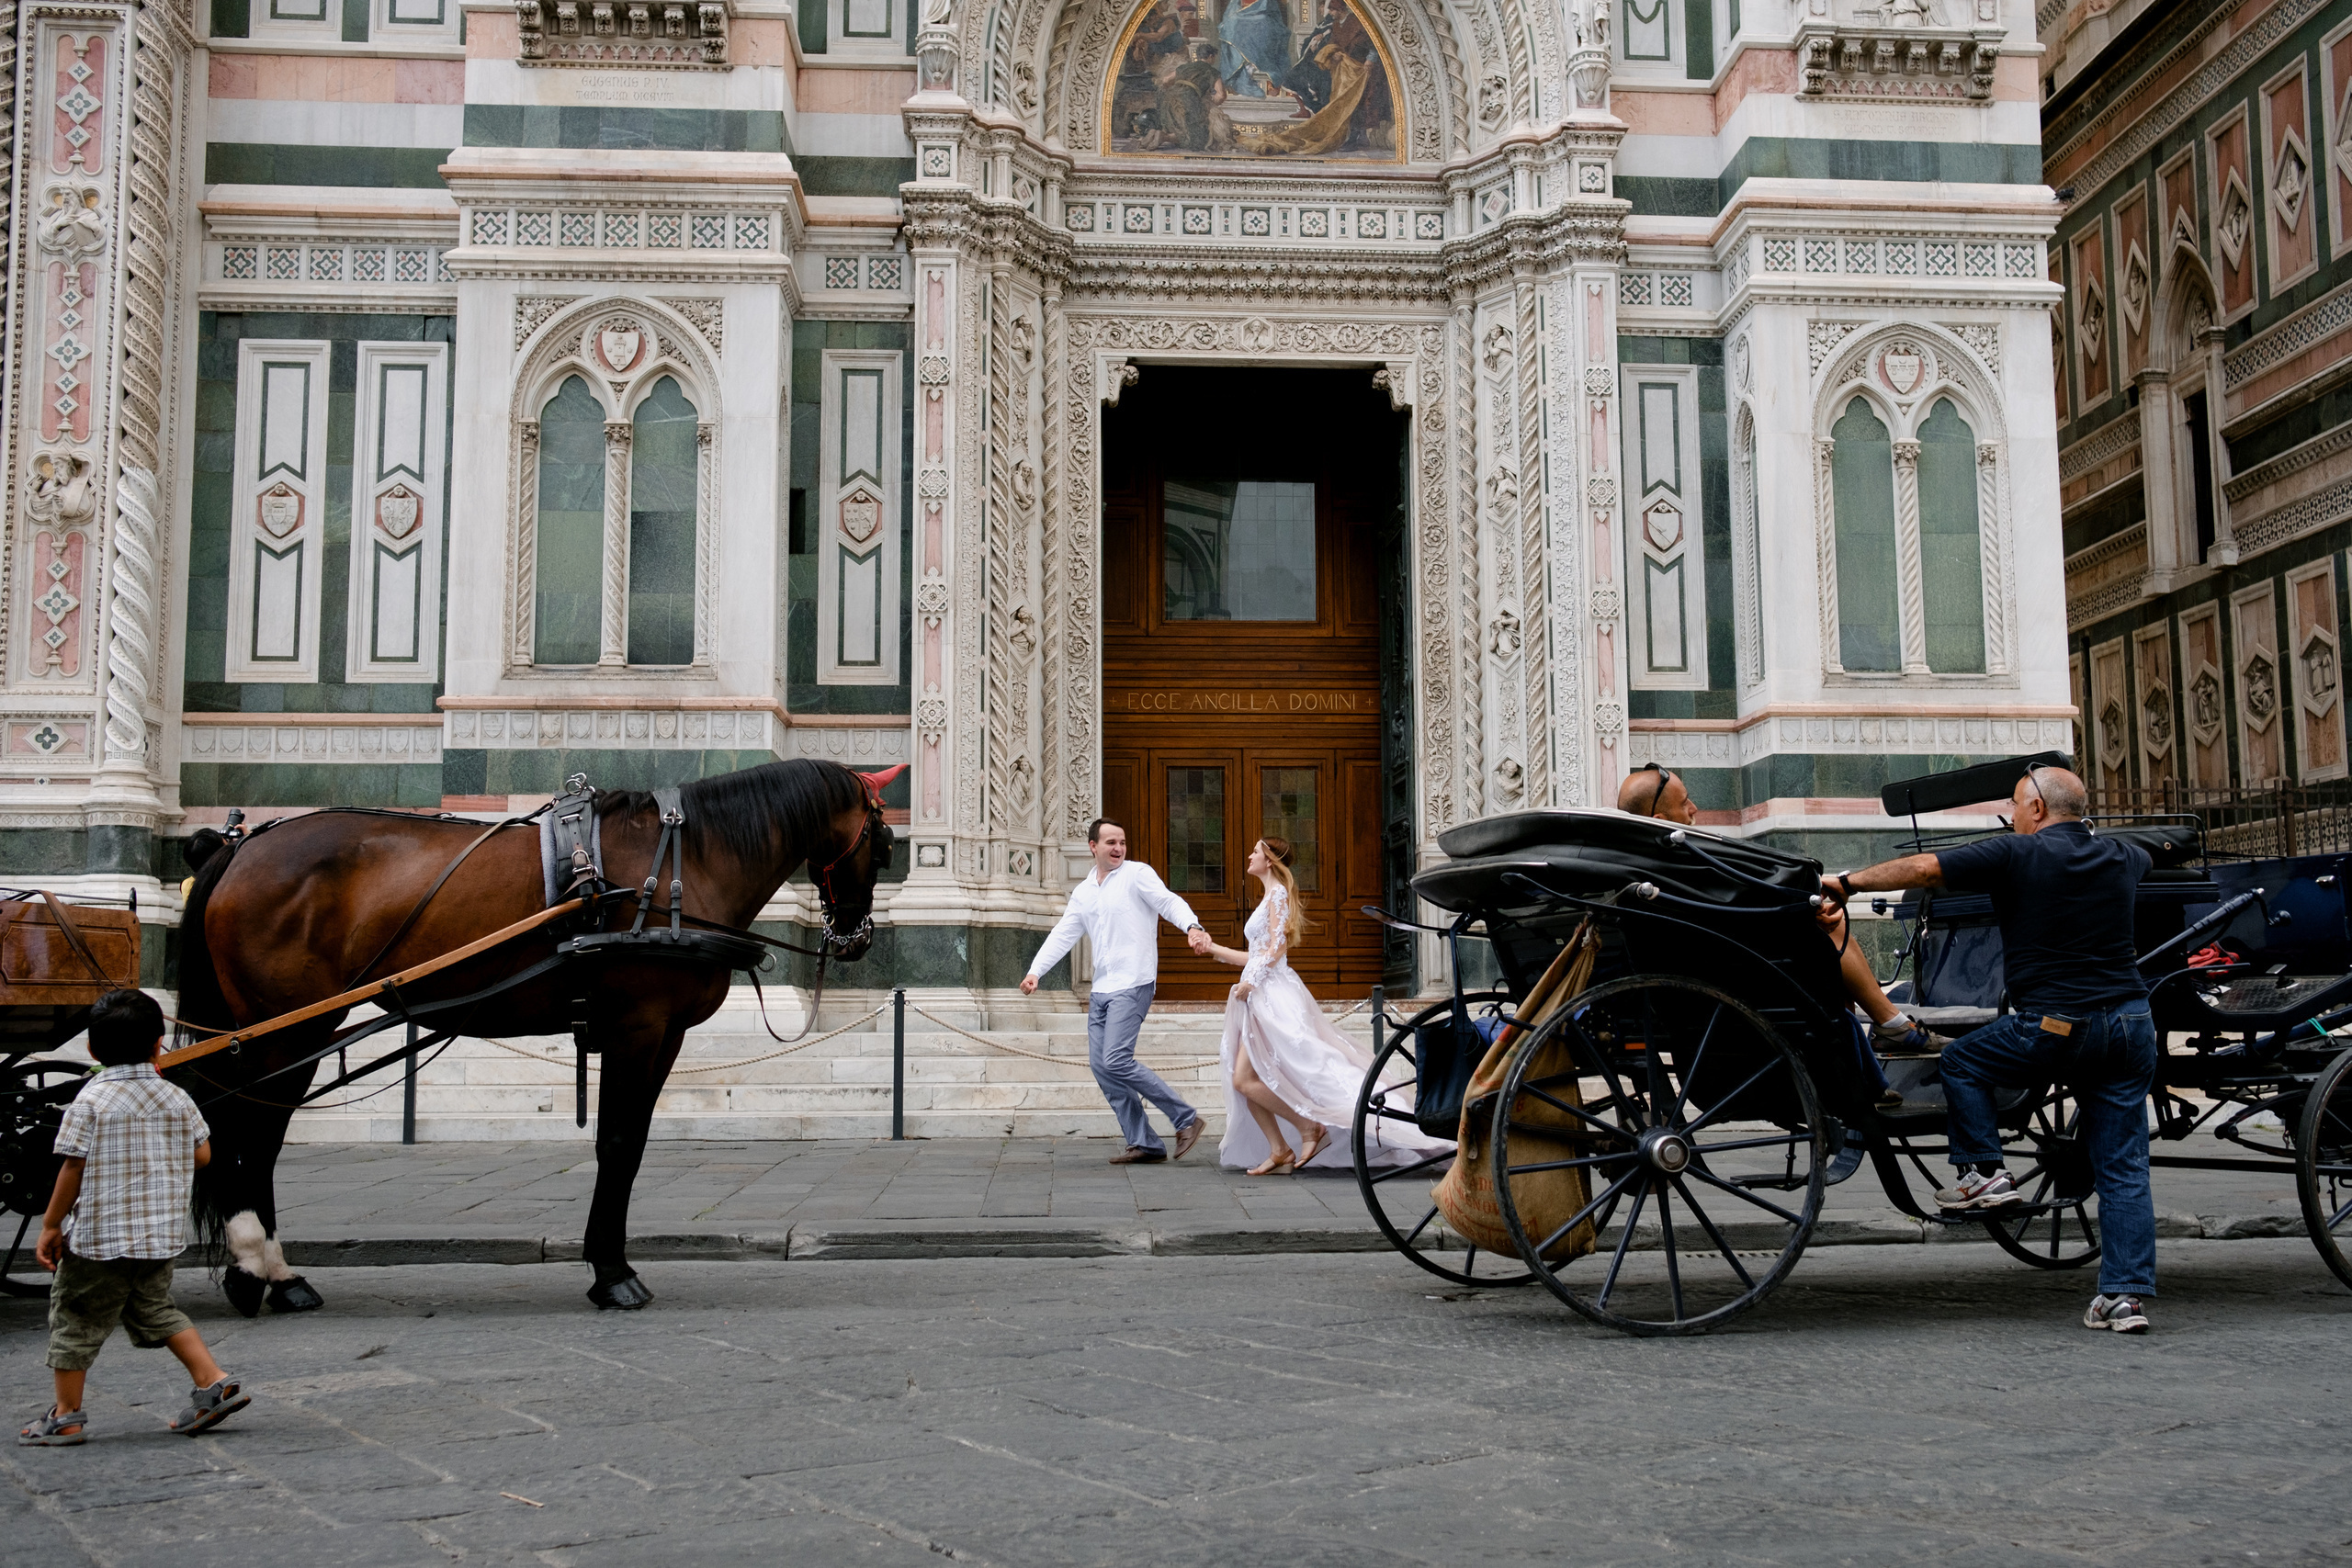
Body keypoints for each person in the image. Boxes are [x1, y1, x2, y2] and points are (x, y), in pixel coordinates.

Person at [1820, 762, 2157, 1335]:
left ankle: (1984, 1175)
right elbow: (2158, 847)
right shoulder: (2125, 856)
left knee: (1961, 1058)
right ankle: (2123, 1299)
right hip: (2131, 1026)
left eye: (2017, 806)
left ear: (2038, 811)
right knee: (2125, 1167)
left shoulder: (2017, 854)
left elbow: (1925, 868)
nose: (2012, 816)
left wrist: (1847, 884)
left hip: (2057, 1026)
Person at [20, 989, 252, 1446]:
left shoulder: (89, 1102)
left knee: (74, 1319)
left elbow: (71, 1166)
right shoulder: (177, 1098)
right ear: (158, 1044)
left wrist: (50, 1225)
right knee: (157, 1310)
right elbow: (203, 1156)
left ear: (91, 1049)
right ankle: (213, 1382)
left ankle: (65, 1415)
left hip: (98, 1243)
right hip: (158, 1240)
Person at [1618, 763, 1948, 1082]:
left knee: (1823, 931)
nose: (1694, 807)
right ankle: (1891, 1026)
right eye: (1684, 801)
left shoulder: (1643, 870)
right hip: (1732, 979)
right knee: (1829, 933)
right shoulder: (1681, 866)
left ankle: (1883, 1034)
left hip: (1698, 976)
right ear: (1659, 819)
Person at [1197, 839, 1454, 1175]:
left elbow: (1277, 947)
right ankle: (1280, 1149)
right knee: (1244, 1078)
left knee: (1264, 1075)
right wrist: (1213, 949)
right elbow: (1257, 955)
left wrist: (1253, 980)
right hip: (1259, 993)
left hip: (1273, 995)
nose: (1249, 856)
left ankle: (1308, 1128)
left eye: (1256, 852)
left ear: (1270, 860)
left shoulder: (1277, 894)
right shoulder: (1267, 896)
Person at [1023, 818, 1212, 1165]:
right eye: (1111, 842)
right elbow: (1064, 934)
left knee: (1116, 1059)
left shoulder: (1137, 874)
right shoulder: (1084, 892)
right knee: (1102, 1066)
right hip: (1102, 989)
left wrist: (1192, 925)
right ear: (1093, 846)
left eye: (1122, 842)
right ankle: (1144, 1141)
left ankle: (1186, 1118)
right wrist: (1036, 972)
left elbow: (1168, 902)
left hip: (1134, 982)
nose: (1119, 848)